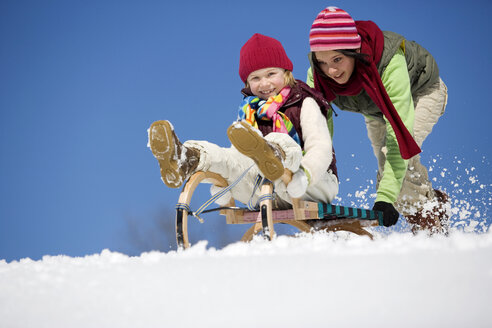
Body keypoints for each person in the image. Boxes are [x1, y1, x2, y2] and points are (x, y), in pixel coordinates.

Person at [148, 33, 338, 212]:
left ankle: (274, 154)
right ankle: (186, 159)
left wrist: (305, 175)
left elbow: (321, 147)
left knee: (280, 140)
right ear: (247, 83)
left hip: (312, 184)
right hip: (267, 190)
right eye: (255, 78)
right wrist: (224, 181)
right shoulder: (249, 111)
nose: (264, 84)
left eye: (271, 74)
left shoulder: (304, 101)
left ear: (286, 73)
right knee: (228, 159)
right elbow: (238, 158)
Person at [306, 6, 449, 233]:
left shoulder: (389, 63)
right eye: (322, 62)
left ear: (353, 51)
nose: (330, 70)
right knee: (391, 170)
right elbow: (318, 132)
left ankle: (430, 225)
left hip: (421, 92)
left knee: (393, 164)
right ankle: (431, 203)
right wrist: (312, 178)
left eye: (337, 59)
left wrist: (384, 198)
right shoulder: (317, 76)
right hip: (375, 109)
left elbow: (398, 137)